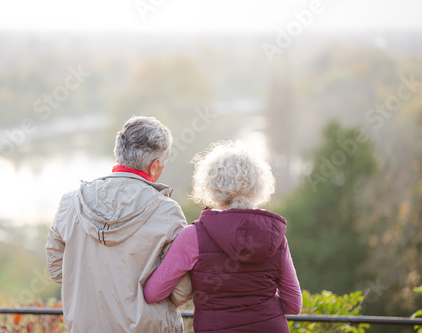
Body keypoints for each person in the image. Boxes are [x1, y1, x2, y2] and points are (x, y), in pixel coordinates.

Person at [46, 116, 192, 333]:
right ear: (155, 166)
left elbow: (58, 271)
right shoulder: (167, 212)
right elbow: (180, 292)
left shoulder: (71, 203)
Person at [144, 141, 302, 332]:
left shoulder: (193, 236)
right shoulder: (274, 237)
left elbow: (153, 293)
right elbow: (293, 305)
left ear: (210, 185)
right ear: (259, 184)